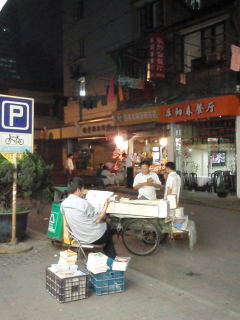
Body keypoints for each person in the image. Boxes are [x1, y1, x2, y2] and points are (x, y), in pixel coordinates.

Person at [60, 177, 116, 259]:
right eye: (82, 189)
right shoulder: (84, 203)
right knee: (108, 229)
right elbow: (98, 219)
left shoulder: (63, 204)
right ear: (78, 190)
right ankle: (112, 259)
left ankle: (106, 258)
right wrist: (106, 205)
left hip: (78, 237)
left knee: (107, 231)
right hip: (94, 237)